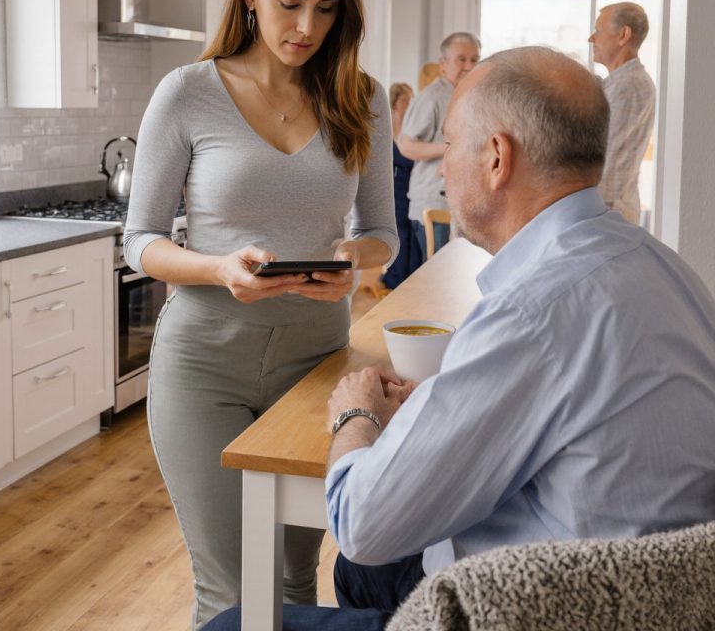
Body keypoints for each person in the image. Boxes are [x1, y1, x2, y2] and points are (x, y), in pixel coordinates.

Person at [203, 46, 715, 631]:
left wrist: (356, 416)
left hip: (546, 610)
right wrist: (439, 403)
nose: (442, 168)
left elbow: (361, 521)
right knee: (361, 573)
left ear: (496, 157)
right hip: (665, 597)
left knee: (234, 623)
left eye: (449, 145)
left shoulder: (529, 311)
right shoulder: (662, 265)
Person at [123, 0, 398, 629]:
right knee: (230, 591)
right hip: (202, 365)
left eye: (326, 9)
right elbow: (139, 239)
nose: (306, 27)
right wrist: (219, 268)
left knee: (294, 578)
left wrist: (352, 259)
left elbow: (382, 234)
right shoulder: (188, 92)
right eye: (290, 3)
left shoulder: (362, 98)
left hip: (315, 368)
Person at [398, 32, 480, 264]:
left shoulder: (469, 95)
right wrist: (451, 148)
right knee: (438, 275)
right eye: (461, 59)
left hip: (458, 207)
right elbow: (406, 145)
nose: (469, 66)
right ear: (443, 64)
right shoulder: (431, 98)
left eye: (474, 60)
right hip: (433, 204)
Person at [588, 2, 656, 224]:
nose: (591, 38)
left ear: (623, 35)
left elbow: (608, 157)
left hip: (606, 214)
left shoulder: (629, 85)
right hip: (605, 212)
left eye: (598, 30)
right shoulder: (618, 83)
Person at [381, 83, 420, 289]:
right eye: (406, 99)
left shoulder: (413, 131)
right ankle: (396, 279)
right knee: (400, 233)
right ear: (396, 103)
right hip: (394, 187)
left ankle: (410, 279)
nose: (411, 103)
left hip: (413, 186)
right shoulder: (384, 130)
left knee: (412, 233)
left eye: (412, 99)